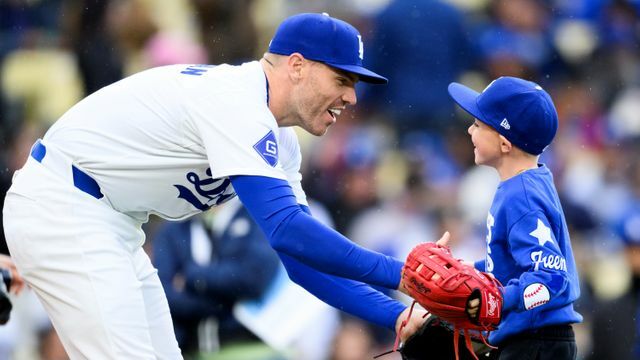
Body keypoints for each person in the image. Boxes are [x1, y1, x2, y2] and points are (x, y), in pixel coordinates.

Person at [2, 12, 436, 359]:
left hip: (109, 222)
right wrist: (403, 272)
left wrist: (395, 312)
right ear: (298, 66)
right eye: (342, 79)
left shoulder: (280, 139)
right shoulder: (237, 101)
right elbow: (289, 229)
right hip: (63, 204)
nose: (352, 97)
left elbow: (299, 257)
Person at [447, 76, 582, 359]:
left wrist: (499, 299)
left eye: (478, 124)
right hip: (533, 339)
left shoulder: (521, 195)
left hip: (537, 341)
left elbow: (552, 279)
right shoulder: (526, 183)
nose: (470, 130)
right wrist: (468, 271)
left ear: (505, 143)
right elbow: (514, 261)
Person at [152, 198, 280, 355]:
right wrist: (226, 304)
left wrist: (191, 276)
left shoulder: (255, 215)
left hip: (253, 346)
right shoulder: (173, 230)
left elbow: (253, 279)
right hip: (189, 349)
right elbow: (163, 296)